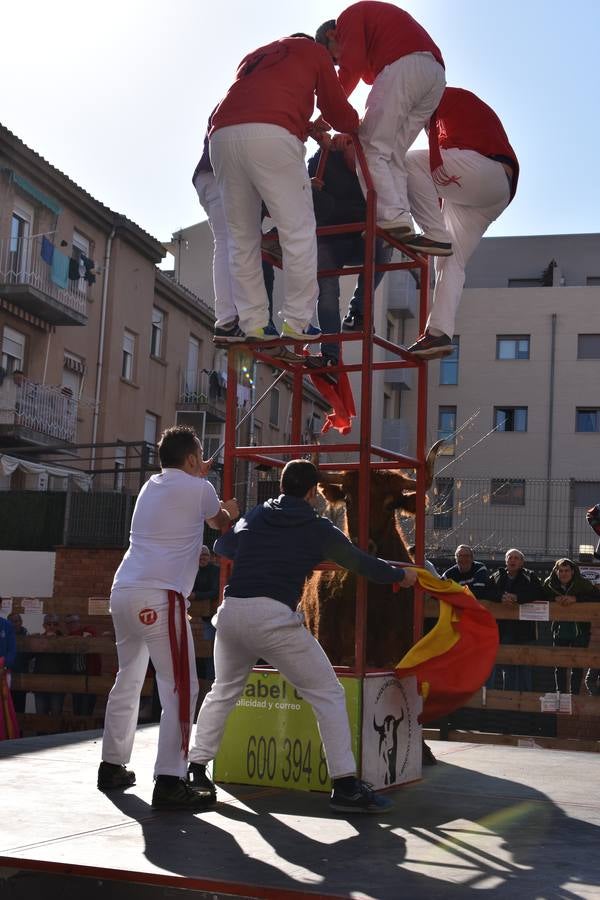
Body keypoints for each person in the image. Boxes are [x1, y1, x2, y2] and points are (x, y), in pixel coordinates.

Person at [185, 459, 418, 814]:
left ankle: (196, 769)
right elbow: (358, 562)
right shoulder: (316, 527)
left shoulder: (259, 514)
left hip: (231, 613)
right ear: (313, 492)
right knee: (328, 693)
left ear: (282, 486)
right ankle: (345, 785)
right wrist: (398, 576)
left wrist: (257, 543)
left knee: (222, 692)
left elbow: (224, 548)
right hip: (273, 618)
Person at [98, 425, 240, 811]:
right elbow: (219, 521)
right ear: (193, 459)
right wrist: (231, 507)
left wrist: (199, 478)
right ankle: (170, 779)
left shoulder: (150, 487)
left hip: (124, 590)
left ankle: (112, 764)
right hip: (161, 597)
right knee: (180, 686)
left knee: (127, 679)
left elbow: (180, 525)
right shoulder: (200, 490)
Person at [209, 33, 358, 343]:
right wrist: (356, 125)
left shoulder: (256, 56)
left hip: (221, 137)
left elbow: (259, 106)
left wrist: (305, 127)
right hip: (273, 137)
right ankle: (297, 323)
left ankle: (254, 325)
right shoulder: (314, 51)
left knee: (242, 237)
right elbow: (337, 110)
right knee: (299, 230)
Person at [316, 2, 446, 243]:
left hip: (404, 65)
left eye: (333, 59)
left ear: (331, 35)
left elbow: (350, 70)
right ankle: (401, 219)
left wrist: (322, 117)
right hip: (434, 75)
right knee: (393, 153)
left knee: (368, 146)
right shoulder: (374, 27)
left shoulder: (347, 19)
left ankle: (390, 217)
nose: (336, 64)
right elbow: (367, 77)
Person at [405, 87, 519, 359]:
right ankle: (439, 333)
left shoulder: (442, 100)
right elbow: (441, 171)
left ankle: (431, 232)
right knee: (448, 259)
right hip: (490, 190)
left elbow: (435, 163)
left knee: (408, 162)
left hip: (484, 170)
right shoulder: (447, 110)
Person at [305, 136, 393, 369]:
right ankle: (330, 355)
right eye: (359, 149)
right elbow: (308, 191)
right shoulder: (325, 159)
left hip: (358, 238)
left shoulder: (373, 167)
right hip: (329, 237)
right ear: (346, 143)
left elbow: (386, 204)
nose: (363, 158)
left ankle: (358, 311)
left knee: (384, 247)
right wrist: (326, 147)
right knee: (327, 290)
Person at [192, 121, 275, 342]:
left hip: (209, 175)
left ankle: (230, 318)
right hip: (222, 174)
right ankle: (232, 318)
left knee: (225, 243)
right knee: (235, 243)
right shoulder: (259, 112)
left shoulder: (235, 104)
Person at [489, 549, 545, 692]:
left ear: (522, 562)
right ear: (506, 561)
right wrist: (501, 597)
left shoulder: (529, 575)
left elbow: (538, 592)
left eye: (516, 558)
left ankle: (525, 705)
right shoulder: (497, 575)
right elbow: (487, 591)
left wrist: (517, 598)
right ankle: (508, 703)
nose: (512, 560)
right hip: (503, 629)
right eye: (510, 558)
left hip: (525, 631)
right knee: (507, 668)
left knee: (525, 668)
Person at [544, 558, 600, 695]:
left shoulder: (583, 584)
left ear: (573, 571)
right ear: (556, 572)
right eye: (561, 571)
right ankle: (560, 694)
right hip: (559, 628)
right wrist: (554, 599)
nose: (564, 573)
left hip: (580, 629)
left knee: (577, 664)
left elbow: (596, 596)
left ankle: (574, 694)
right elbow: (539, 594)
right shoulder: (549, 584)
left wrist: (576, 599)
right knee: (560, 663)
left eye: (567, 570)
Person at [189, 545, 221, 687]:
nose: (203, 559)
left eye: (205, 556)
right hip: (200, 616)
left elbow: (215, 591)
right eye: (200, 556)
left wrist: (196, 596)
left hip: (214, 617)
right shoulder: (192, 571)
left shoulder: (215, 571)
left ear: (210, 558)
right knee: (200, 650)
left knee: (211, 650)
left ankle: (211, 680)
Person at [64, 613, 101, 716]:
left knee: (86, 708)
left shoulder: (87, 631)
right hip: (75, 675)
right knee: (76, 707)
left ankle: (86, 731)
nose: (71, 625)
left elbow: (92, 636)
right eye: (68, 623)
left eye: (73, 622)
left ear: (79, 622)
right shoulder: (66, 638)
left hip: (89, 675)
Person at [32, 613, 68, 717]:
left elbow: (67, 661)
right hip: (40, 684)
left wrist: (56, 643)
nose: (52, 626)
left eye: (55, 624)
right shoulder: (38, 639)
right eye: (49, 624)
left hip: (58, 685)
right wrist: (35, 642)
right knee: (40, 715)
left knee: (56, 716)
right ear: (44, 625)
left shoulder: (65, 640)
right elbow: (28, 656)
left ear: (58, 626)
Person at [7, 613, 29, 714]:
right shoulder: (4, 636)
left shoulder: (27, 637)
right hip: (5, 679)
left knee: (19, 709)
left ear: (21, 622)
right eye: (11, 621)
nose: (14, 624)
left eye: (16, 621)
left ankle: (18, 730)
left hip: (21, 679)